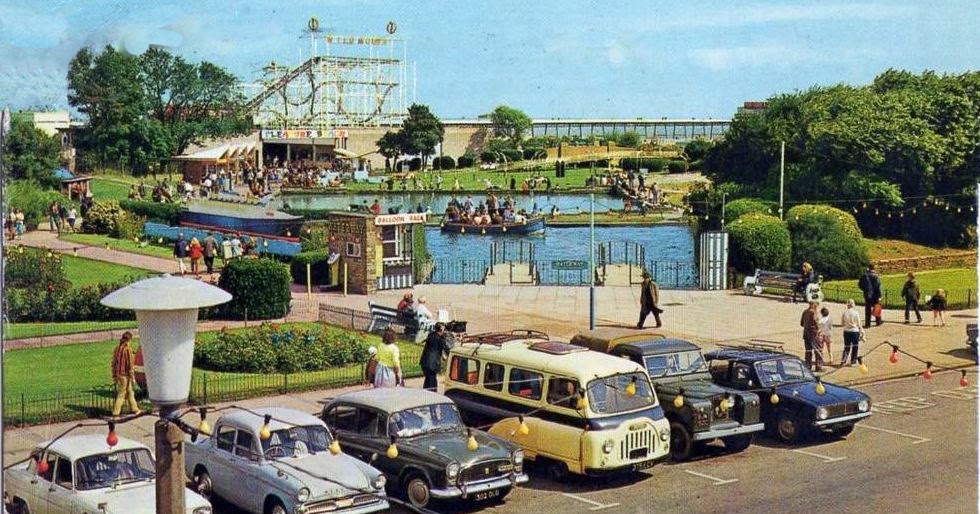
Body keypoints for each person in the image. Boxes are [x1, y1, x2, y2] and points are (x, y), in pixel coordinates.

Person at [111, 332, 141, 417]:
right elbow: (130, 365)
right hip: (125, 375)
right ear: (129, 340)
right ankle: (116, 413)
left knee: (130, 392)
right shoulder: (128, 349)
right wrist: (133, 378)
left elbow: (113, 362)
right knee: (122, 394)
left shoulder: (117, 348)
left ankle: (135, 409)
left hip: (119, 374)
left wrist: (114, 375)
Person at [420, 323, 455, 391]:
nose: (444, 331)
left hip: (425, 362)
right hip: (432, 364)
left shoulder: (431, 335)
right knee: (432, 383)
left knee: (428, 380)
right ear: (441, 329)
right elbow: (448, 348)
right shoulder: (439, 339)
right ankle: (431, 396)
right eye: (444, 329)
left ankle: (426, 393)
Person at [800, 301, 823, 371]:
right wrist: (819, 329)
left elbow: (801, 323)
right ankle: (819, 366)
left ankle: (808, 366)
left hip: (806, 333)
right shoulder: (813, 312)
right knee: (818, 350)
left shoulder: (805, 312)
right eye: (816, 304)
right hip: (813, 333)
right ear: (814, 305)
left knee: (808, 351)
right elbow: (816, 322)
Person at [840, 299, 864, 366]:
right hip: (854, 331)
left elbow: (842, 323)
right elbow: (859, 323)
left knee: (846, 346)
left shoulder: (844, 313)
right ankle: (853, 361)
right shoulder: (856, 313)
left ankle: (843, 360)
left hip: (846, 331)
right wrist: (861, 331)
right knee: (855, 347)